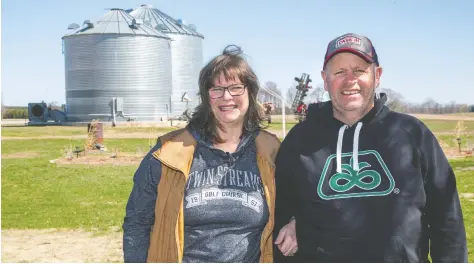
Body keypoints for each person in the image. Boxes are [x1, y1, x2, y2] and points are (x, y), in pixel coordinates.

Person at [273, 33, 467, 262]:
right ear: (325, 80)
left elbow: (447, 219)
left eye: (359, 70)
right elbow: (281, 214)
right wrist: (296, 221)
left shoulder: (411, 134)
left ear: (377, 75)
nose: (350, 80)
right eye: (339, 72)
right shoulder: (300, 140)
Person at [122, 45, 281, 263]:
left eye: (236, 87)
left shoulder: (271, 151)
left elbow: (295, 206)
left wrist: (293, 223)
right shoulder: (168, 153)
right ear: (207, 97)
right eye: (216, 89)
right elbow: (137, 222)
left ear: (250, 92)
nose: (226, 97)